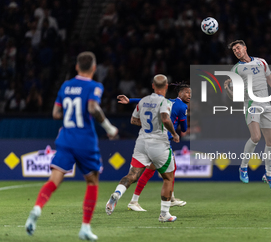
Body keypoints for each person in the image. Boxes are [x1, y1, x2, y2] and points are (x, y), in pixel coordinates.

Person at [25, 52, 118, 241]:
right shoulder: (94, 86)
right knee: (92, 182)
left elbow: (56, 113)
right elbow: (93, 108)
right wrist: (109, 128)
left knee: (54, 181)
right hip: (85, 142)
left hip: (66, 140)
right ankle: (85, 227)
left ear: (76, 67)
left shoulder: (65, 86)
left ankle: (37, 208)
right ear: (93, 68)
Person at [224, 40, 271, 192]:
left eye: (238, 48)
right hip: (251, 104)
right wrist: (227, 88)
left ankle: (269, 175)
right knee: (256, 137)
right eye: (234, 50)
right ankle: (243, 167)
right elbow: (234, 97)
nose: (236, 51)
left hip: (266, 104)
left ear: (245, 48)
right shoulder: (236, 69)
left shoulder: (262, 62)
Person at [105, 74, 180, 222]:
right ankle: (164, 214)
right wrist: (174, 133)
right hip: (159, 144)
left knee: (132, 175)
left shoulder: (143, 101)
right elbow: (165, 119)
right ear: (166, 86)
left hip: (141, 143)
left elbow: (133, 120)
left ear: (152, 86)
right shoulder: (164, 102)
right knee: (168, 178)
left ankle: (117, 194)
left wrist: (146, 125)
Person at [117, 82, 191, 211]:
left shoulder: (167, 101)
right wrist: (181, 120)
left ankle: (171, 198)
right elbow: (184, 129)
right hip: (161, 142)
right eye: (186, 92)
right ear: (180, 93)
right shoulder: (182, 106)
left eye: (190, 93)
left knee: (169, 169)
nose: (189, 95)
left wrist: (130, 101)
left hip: (153, 139)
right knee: (151, 172)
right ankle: (134, 201)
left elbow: (145, 101)